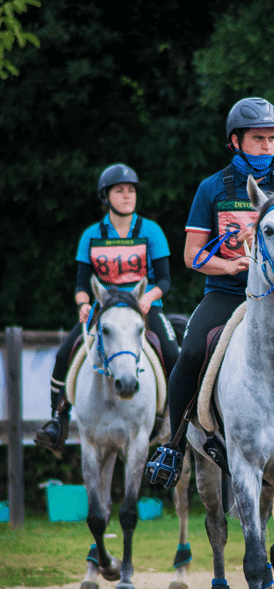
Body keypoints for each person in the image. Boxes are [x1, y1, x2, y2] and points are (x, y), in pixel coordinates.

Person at [149, 96, 274, 489]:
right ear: (235, 141)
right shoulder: (212, 188)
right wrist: (229, 265)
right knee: (190, 353)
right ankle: (173, 447)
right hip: (226, 292)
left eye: (272, 139)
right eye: (258, 138)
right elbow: (192, 255)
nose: (267, 146)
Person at [35, 163, 179, 458]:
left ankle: (176, 427)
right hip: (105, 311)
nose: (127, 195)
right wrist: (83, 304)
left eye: (131, 190)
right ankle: (57, 421)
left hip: (142, 308)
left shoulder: (151, 231)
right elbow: (80, 283)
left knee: (174, 354)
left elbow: (164, 279)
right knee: (64, 354)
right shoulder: (91, 234)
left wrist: (149, 297)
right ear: (106, 197)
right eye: (119, 190)